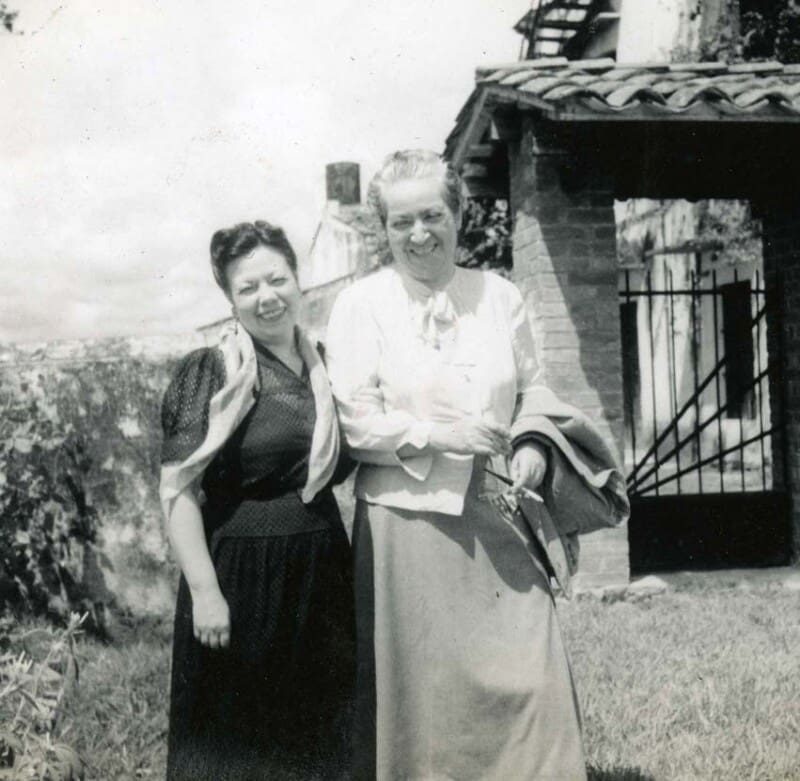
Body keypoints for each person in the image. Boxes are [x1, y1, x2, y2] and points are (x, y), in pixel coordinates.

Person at [325, 150, 628, 781]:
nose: (418, 234)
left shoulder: (499, 296)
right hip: (405, 527)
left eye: (432, 215)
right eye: (401, 221)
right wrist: (441, 435)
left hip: (498, 511)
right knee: (429, 703)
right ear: (384, 229)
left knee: (532, 677)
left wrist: (533, 445)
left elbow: (533, 391)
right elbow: (356, 422)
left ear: (458, 214)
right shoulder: (359, 305)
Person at [159, 221, 355, 781]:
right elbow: (178, 491)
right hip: (242, 574)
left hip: (321, 572)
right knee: (239, 742)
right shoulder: (214, 372)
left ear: (298, 280)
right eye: (248, 287)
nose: (267, 297)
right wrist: (205, 592)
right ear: (230, 299)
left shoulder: (328, 367)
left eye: (277, 279)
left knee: (320, 738)